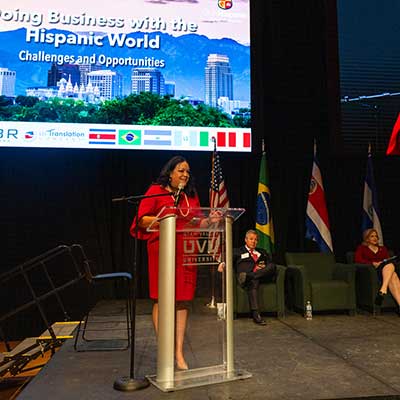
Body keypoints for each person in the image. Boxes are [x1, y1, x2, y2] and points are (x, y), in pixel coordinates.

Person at [130, 155, 209, 371]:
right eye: (181, 170)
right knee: (163, 299)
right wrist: (164, 219)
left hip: (185, 251)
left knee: (182, 300)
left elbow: (198, 220)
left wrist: (210, 220)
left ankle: (178, 353)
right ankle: (165, 348)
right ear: (170, 172)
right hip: (162, 250)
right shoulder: (156, 190)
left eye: (187, 171)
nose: (185, 174)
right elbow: (141, 219)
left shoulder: (190, 195)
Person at [233, 229, 277, 325]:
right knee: (254, 281)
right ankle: (256, 315)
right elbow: (227, 259)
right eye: (251, 239)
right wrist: (222, 263)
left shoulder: (262, 252)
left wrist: (263, 267)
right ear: (246, 239)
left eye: (256, 240)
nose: (254, 241)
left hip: (257, 276)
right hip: (246, 280)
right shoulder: (238, 251)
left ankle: (249, 276)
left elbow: (270, 265)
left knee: (272, 266)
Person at [354, 228, 400, 308]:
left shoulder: (383, 249)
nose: (375, 238)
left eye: (376, 236)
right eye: (372, 236)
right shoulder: (362, 248)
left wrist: (383, 262)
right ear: (367, 238)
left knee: (392, 272)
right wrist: (372, 263)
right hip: (373, 272)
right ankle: (384, 289)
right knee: (393, 274)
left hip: (386, 271)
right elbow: (358, 260)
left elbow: (387, 259)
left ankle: (383, 290)